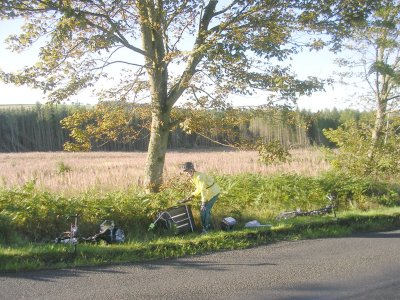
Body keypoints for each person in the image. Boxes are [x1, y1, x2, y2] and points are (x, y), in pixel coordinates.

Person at [180, 162, 221, 234]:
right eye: (185, 172)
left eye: (187, 172)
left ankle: (206, 229)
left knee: (205, 210)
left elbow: (203, 190)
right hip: (208, 193)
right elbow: (198, 189)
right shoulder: (193, 177)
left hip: (213, 192)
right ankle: (205, 228)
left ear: (191, 170)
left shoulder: (199, 177)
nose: (186, 174)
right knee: (203, 211)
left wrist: (203, 203)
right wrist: (192, 195)